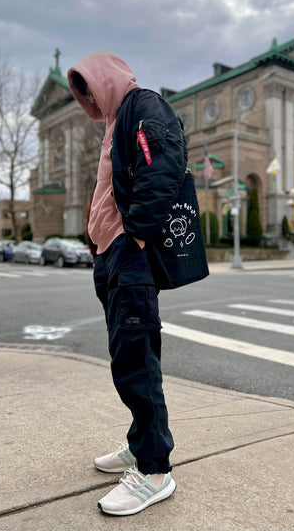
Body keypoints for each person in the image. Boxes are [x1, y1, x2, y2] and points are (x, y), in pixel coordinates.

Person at [67, 51, 187, 516]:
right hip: (111, 253)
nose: (88, 101)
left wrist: (135, 233)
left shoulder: (143, 106)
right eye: (82, 96)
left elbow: (164, 167)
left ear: (107, 80)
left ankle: (155, 471)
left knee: (135, 361)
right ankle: (141, 445)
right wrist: (99, 245)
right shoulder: (115, 123)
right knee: (128, 355)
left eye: (90, 90)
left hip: (129, 251)